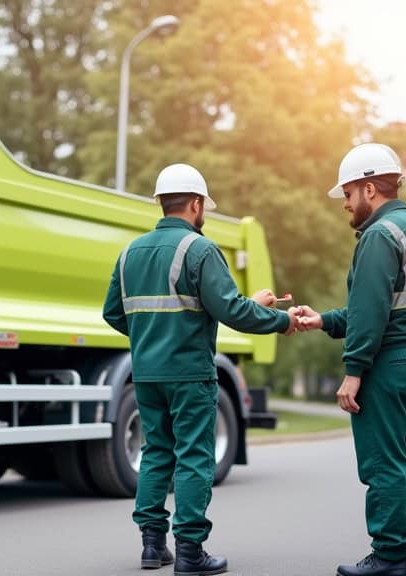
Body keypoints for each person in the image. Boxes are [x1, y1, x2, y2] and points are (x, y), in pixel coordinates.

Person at [102, 163, 299, 576]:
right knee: (194, 456)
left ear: (160, 202)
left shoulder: (128, 254)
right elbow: (230, 310)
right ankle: (191, 551)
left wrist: (149, 336)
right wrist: (282, 320)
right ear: (195, 204)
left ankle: (152, 547)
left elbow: (113, 314)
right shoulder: (200, 250)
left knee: (157, 452)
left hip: (147, 374)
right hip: (190, 373)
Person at [294, 143, 406, 576]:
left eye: (349, 195)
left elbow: (372, 313)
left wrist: (353, 371)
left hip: (389, 369)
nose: (346, 206)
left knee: (384, 463)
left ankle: (390, 558)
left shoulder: (378, 236)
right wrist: (324, 321)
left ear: (370, 188)